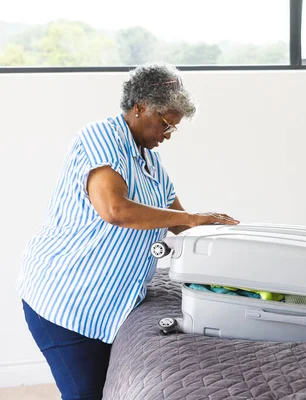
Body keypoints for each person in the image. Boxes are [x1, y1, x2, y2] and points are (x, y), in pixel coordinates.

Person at [16, 63, 239, 399]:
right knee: (84, 395)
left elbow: (177, 221)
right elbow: (115, 210)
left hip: (106, 305)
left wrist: (227, 239)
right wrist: (193, 218)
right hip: (66, 299)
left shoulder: (152, 163)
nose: (167, 134)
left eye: (172, 129)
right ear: (139, 108)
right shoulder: (101, 137)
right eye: (165, 124)